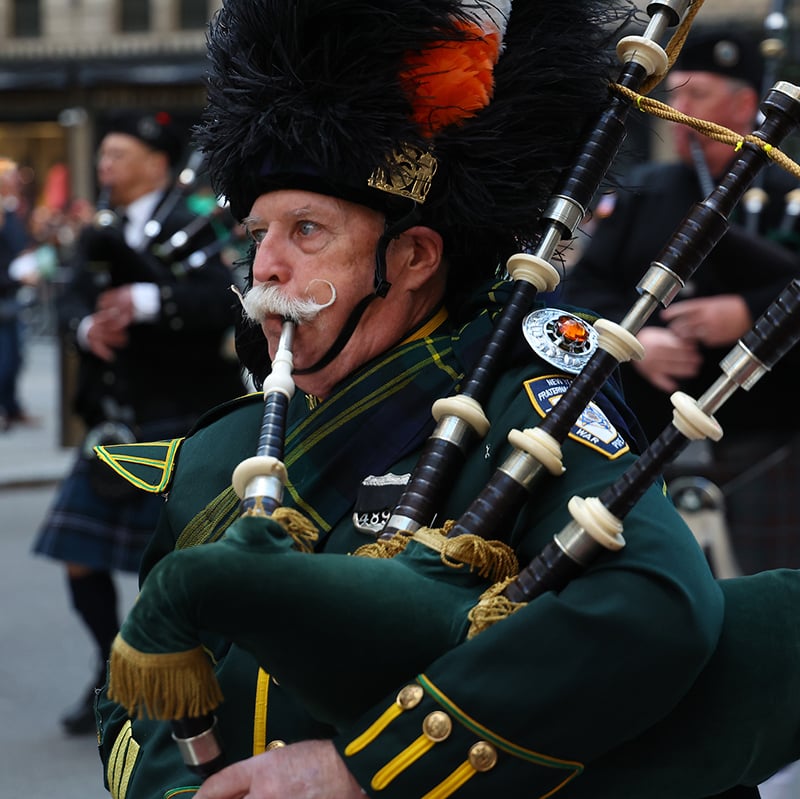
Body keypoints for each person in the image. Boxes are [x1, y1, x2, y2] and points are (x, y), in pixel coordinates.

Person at [91, 3, 800, 798]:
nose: (266, 268)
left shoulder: (524, 400)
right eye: (260, 232)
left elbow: (653, 604)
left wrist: (366, 772)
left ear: (416, 255)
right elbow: (143, 686)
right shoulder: (213, 457)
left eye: (308, 230)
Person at [32, 110, 245, 735]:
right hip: (116, 423)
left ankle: (185, 675)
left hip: (184, 418)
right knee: (78, 556)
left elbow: (230, 299)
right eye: (102, 156)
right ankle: (109, 665)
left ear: (155, 161)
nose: (104, 167)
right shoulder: (100, 227)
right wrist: (84, 328)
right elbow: (73, 294)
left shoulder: (197, 220)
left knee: (181, 560)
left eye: (116, 155)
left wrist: (150, 301)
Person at [561, 28, 800, 578]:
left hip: (766, 442)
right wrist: (636, 339)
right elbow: (583, 289)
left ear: (744, 106)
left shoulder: (788, 197)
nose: (681, 112)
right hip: (643, 437)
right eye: (676, 98)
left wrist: (748, 313)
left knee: (769, 601)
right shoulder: (643, 191)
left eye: (699, 96)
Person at [0, 158, 33, 431]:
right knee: (6, 359)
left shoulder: (12, 210)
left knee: (15, 357)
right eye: (10, 176)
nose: (16, 180)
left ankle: (11, 408)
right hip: (4, 293)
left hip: (12, 295)